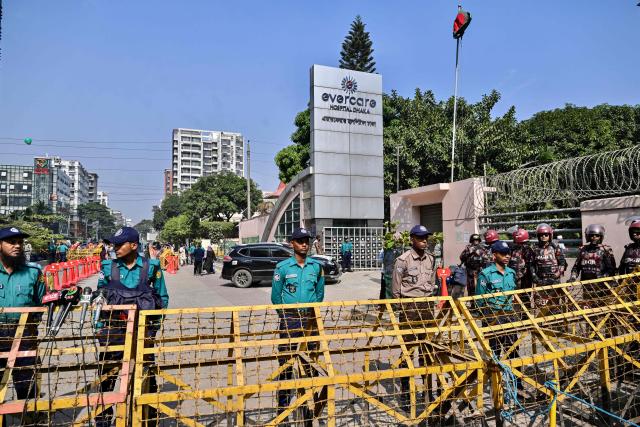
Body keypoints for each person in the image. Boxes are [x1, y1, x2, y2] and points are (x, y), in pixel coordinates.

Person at [95, 227, 168, 427]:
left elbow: (162, 298)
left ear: (133, 245)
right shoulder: (108, 266)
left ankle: (148, 419)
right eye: (114, 245)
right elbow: (99, 297)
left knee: (147, 376)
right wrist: (100, 328)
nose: (115, 248)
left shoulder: (152, 267)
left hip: (143, 333)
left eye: (119, 245)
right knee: (107, 377)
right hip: (113, 332)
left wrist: (153, 329)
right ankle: (103, 420)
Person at [271, 227, 325, 425]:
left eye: (307, 240)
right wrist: (285, 316)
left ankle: (307, 409)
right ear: (292, 243)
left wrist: (312, 314)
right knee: (285, 365)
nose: (304, 244)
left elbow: (319, 294)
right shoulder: (283, 267)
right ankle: (283, 409)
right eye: (300, 240)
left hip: (309, 321)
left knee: (309, 365)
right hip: (290, 320)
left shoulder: (316, 267)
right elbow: (276, 296)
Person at [0, 227, 46, 422]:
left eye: (19, 242)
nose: (17, 246)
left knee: (26, 381)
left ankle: (29, 417)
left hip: (25, 334)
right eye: (11, 242)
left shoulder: (34, 272)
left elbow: (41, 301)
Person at [392, 225, 437, 414]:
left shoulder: (431, 259)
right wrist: (402, 308)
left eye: (425, 238)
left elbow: (432, 283)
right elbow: (395, 290)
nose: (424, 241)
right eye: (420, 238)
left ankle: (428, 391)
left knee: (428, 349)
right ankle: (405, 391)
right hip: (409, 307)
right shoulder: (402, 260)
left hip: (426, 307)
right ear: (412, 239)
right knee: (408, 351)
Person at [476, 241, 520, 362]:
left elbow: (514, 295)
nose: (507, 256)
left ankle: (516, 380)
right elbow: (479, 299)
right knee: (494, 351)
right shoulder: (486, 274)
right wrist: (484, 318)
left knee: (513, 350)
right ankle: (496, 379)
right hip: (493, 316)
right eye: (503, 253)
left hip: (509, 315)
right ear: (495, 255)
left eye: (508, 253)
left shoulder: (511, 273)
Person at [569, 224, 616, 302]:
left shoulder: (605, 250)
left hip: (602, 286)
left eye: (597, 235)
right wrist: (573, 277)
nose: (594, 237)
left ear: (601, 237)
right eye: (592, 236)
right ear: (588, 237)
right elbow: (576, 267)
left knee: (602, 309)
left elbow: (611, 269)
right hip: (587, 286)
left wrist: (603, 277)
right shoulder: (583, 250)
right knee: (588, 308)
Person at [531, 223, 567, 309]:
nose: (543, 236)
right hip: (540, 281)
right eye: (541, 235)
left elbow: (562, 263)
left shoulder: (555, 248)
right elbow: (531, 264)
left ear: (550, 235)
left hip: (554, 282)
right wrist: (534, 276)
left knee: (554, 306)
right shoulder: (534, 249)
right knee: (541, 306)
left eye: (546, 235)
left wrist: (556, 276)